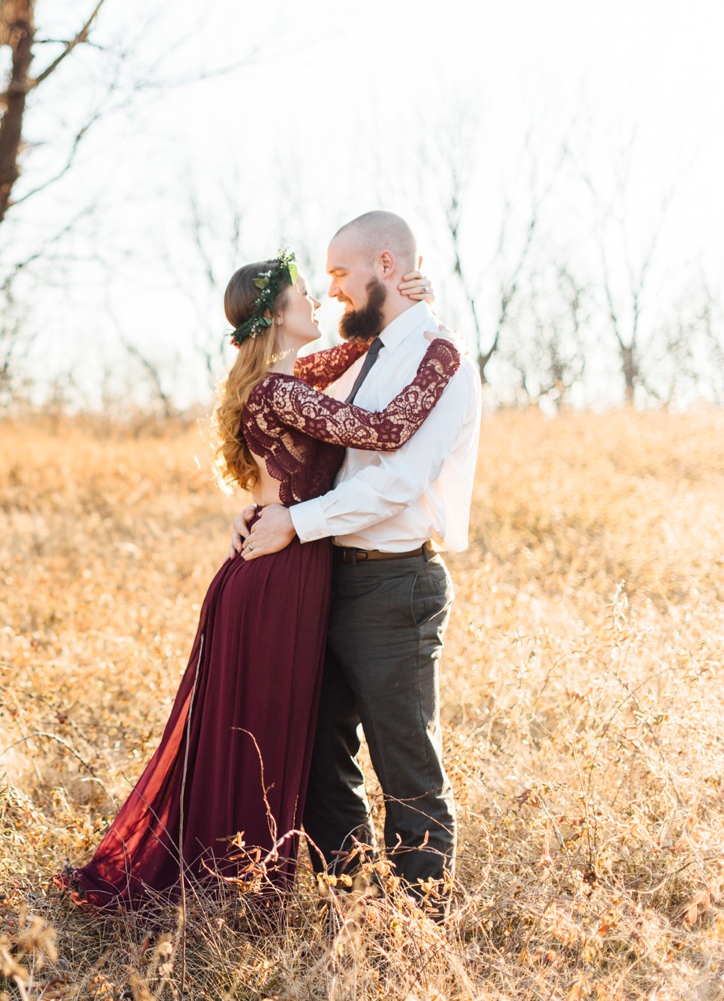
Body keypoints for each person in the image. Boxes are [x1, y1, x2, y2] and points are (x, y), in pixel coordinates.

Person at [55, 238, 463, 912]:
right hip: (279, 578)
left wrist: (408, 311)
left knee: (278, 737)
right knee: (262, 739)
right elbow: (385, 428)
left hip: (290, 567)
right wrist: (442, 354)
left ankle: (245, 890)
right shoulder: (281, 387)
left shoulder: (287, 378)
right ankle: (224, 891)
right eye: (307, 292)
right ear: (277, 314)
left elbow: (357, 350)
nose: (320, 299)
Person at [235, 210, 482, 916]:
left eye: (341, 273)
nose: (332, 289)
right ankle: (355, 900)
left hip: (395, 582)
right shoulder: (362, 355)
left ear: (385, 264)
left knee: (405, 762)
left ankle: (420, 922)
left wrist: (296, 523)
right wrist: (263, 507)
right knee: (317, 753)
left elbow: (398, 482)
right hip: (327, 578)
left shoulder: (442, 359)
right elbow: (298, 435)